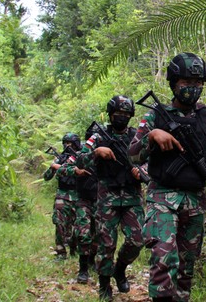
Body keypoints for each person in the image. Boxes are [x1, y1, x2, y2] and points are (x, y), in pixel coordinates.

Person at [128, 52, 206, 302]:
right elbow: (132, 155)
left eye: (198, 84)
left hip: (196, 201)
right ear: (174, 83)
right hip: (162, 197)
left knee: (186, 268)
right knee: (164, 258)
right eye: (186, 83)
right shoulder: (155, 116)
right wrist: (152, 135)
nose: (192, 89)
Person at [73, 95, 146, 301]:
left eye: (125, 114)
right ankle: (104, 285)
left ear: (130, 116)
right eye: (117, 114)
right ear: (110, 114)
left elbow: (151, 159)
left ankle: (120, 269)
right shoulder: (98, 136)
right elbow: (80, 160)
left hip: (132, 196)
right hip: (107, 197)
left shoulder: (137, 136)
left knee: (137, 240)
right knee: (106, 244)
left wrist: (142, 170)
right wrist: (96, 151)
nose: (121, 117)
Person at [57, 124, 100, 284]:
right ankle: (82, 269)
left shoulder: (109, 153)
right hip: (83, 199)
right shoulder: (80, 154)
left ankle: (91, 261)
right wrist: (76, 171)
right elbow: (62, 169)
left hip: (101, 199)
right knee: (83, 234)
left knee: (98, 234)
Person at [43, 132, 81, 261]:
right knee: (59, 223)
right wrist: (53, 167)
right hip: (63, 194)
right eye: (65, 143)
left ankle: (74, 248)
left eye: (69, 143)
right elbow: (46, 177)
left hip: (79, 195)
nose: (67, 146)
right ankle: (61, 252)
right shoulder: (60, 158)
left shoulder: (82, 156)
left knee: (79, 227)